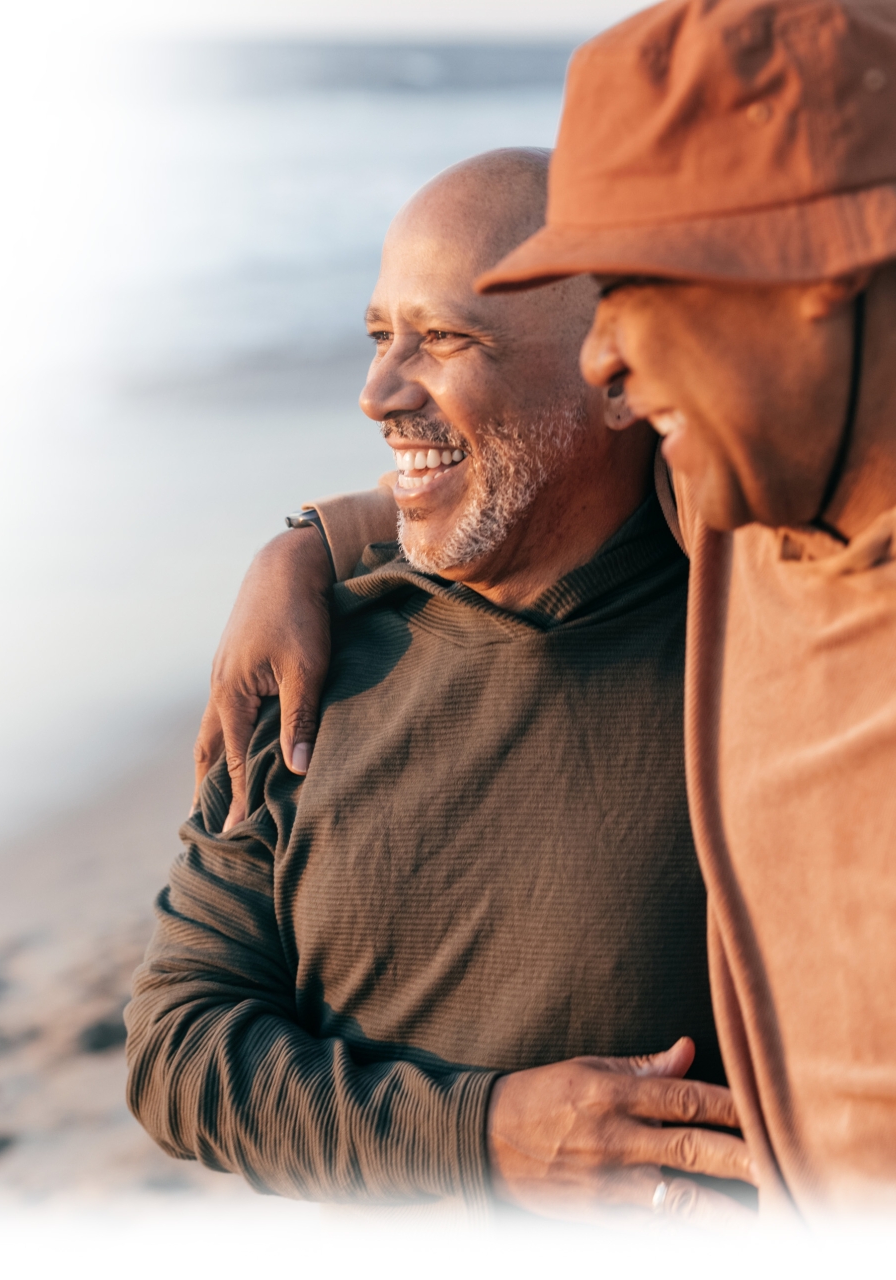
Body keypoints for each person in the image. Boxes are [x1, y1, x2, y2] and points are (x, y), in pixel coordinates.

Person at [199, 0, 896, 1215]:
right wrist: (314, 545)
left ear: (820, 274)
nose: (603, 362)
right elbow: (525, 472)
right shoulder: (751, 502)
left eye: (633, 288)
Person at [126, 149, 751, 1221]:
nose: (378, 390)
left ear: (619, 373)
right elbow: (179, 1045)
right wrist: (478, 1135)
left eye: (445, 336)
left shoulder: (763, 644)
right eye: (381, 336)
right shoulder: (313, 658)